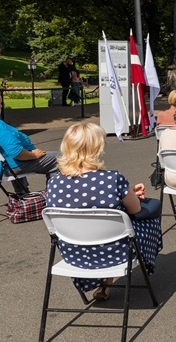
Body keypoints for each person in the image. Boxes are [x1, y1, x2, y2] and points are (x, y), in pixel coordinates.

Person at [46, 122, 162, 300]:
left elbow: (84, 204)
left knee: (101, 228)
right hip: (115, 252)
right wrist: (130, 195)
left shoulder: (54, 182)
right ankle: (147, 266)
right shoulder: (112, 179)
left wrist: (126, 192)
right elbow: (136, 209)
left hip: (75, 254)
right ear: (97, 148)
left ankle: (104, 284)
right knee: (148, 216)